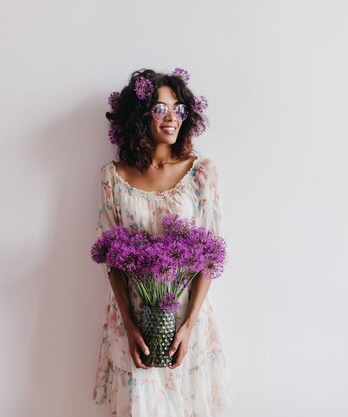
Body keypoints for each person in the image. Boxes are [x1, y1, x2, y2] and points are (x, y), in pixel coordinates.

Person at [92, 68, 232, 417]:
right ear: (140, 116)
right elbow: (112, 261)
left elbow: (209, 258)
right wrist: (129, 325)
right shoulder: (113, 178)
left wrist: (189, 325)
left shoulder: (200, 173)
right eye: (160, 108)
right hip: (134, 322)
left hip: (185, 318)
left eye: (179, 109)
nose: (172, 118)